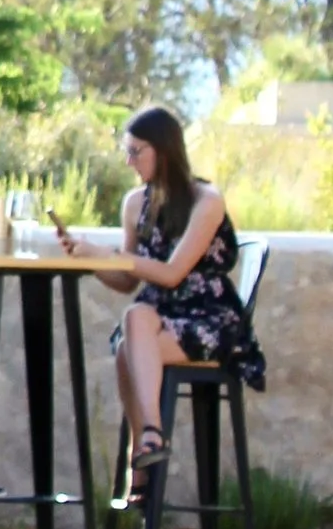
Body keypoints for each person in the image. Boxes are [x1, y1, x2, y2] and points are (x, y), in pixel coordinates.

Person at [106, 103, 265, 486]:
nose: (129, 161)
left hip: (207, 316)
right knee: (135, 317)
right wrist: (86, 259)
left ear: (163, 150)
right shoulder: (135, 204)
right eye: (125, 151)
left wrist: (110, 258)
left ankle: (143, 452)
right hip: (158, 316)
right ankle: (150, 439)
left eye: (135, 151)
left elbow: (173, 273)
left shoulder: (206, 200)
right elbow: (128, 281)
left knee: (130, 347)